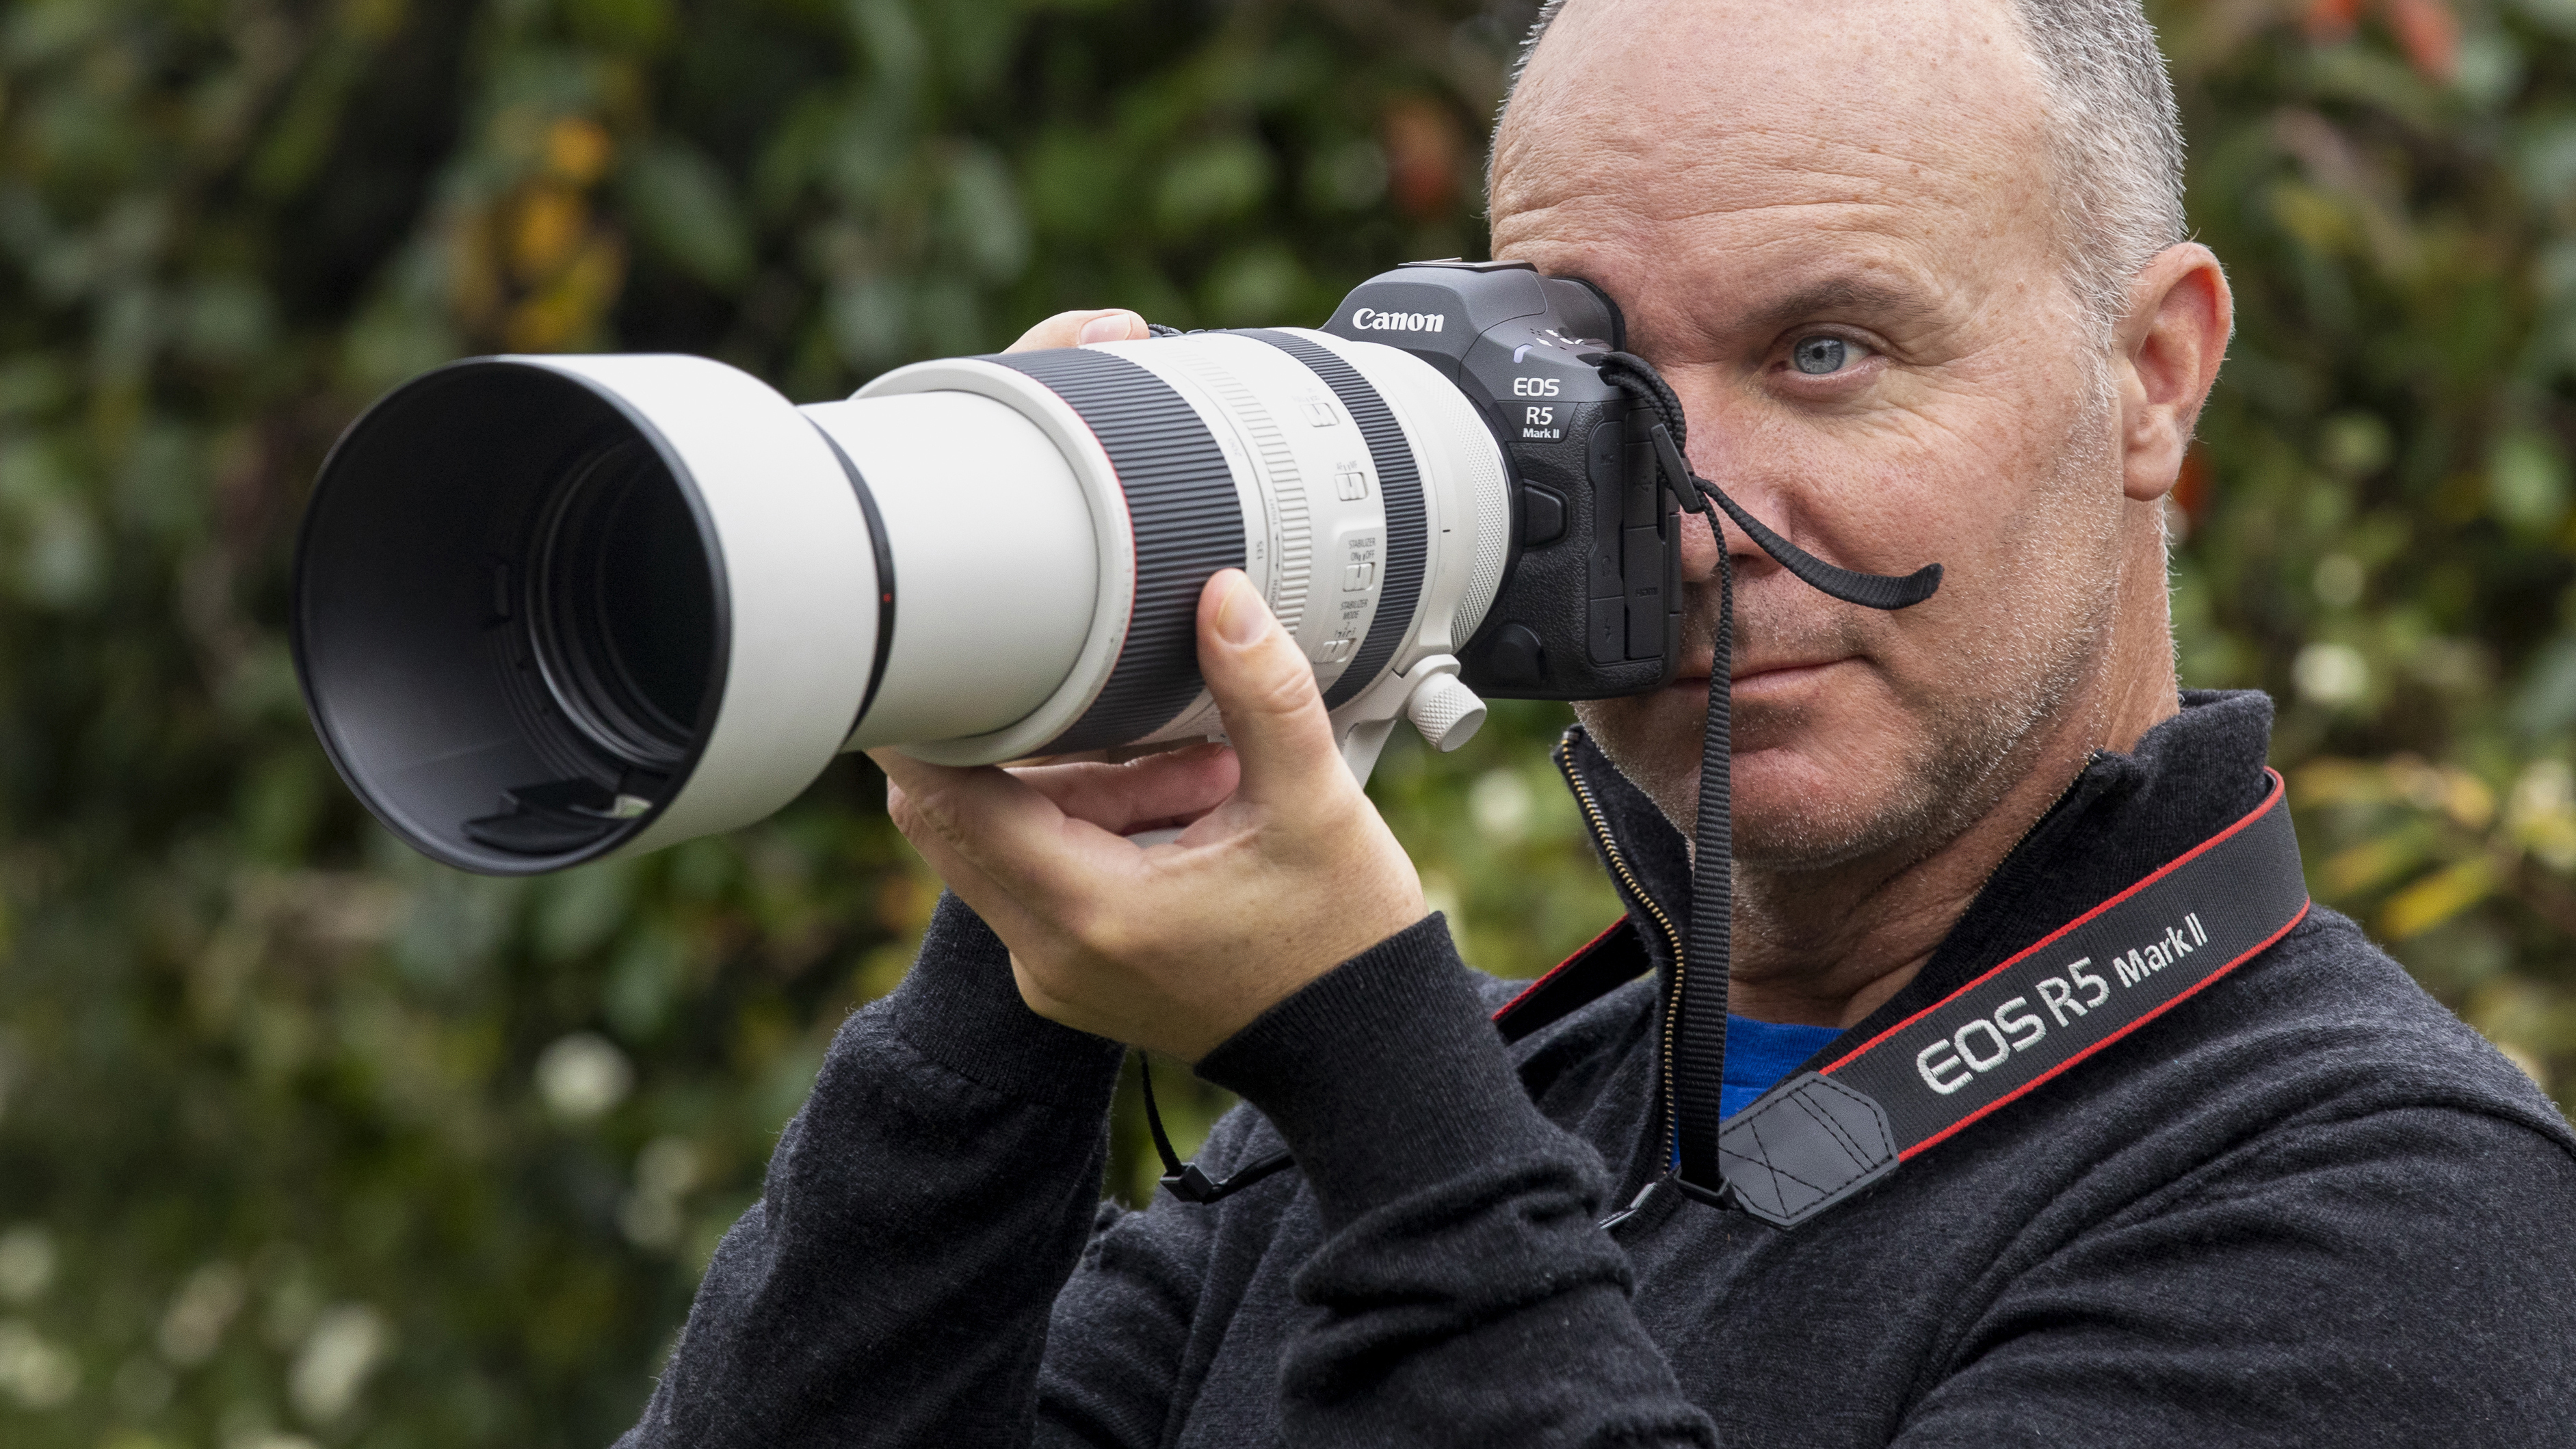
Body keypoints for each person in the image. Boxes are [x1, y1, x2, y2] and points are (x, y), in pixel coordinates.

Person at [618, 1, 2576, 1444]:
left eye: (1828, 351)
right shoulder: (1444, 1136)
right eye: (1597, 373)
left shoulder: (2386, 1205)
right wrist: (1032, 904)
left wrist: (1373, 1063)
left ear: (2152, 377)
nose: (1698, 517)